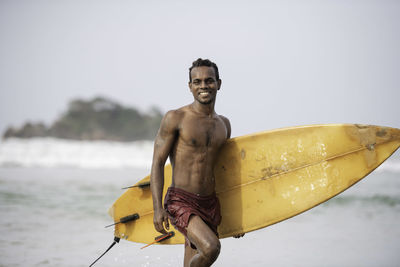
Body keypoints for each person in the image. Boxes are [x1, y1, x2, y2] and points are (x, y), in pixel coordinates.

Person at [150, 58, 234, 267]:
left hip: (210, 202)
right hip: (181, 201)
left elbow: (225, 172)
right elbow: (158, 162)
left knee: (194, 260)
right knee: (211, 248)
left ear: (219, 84)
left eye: (209, 80)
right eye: (197, 82)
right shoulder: (175, 118)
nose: (203, 86)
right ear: (190, 87)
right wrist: (157, 208)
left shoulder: (224, 125)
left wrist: (237, 219)